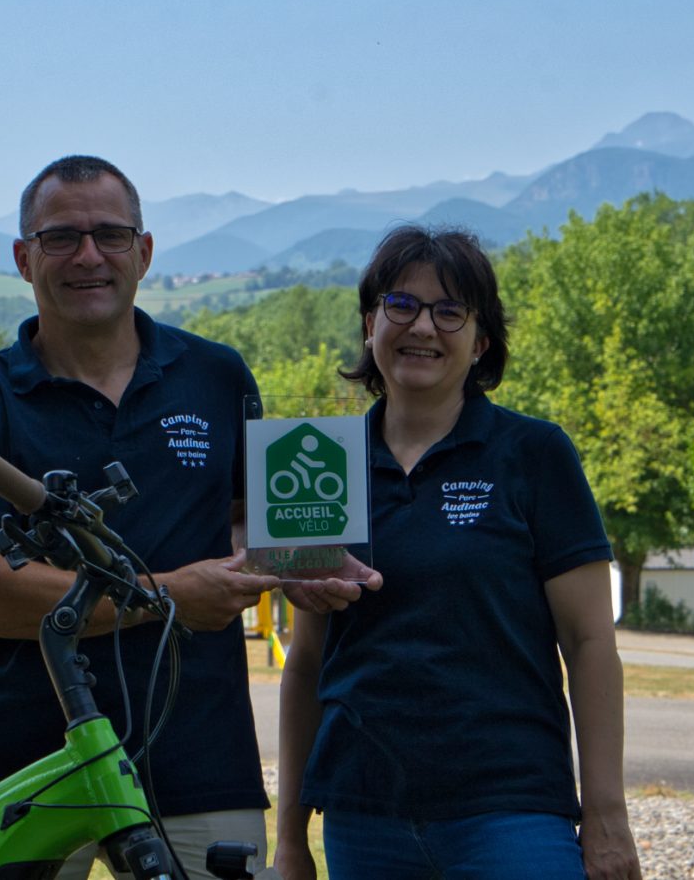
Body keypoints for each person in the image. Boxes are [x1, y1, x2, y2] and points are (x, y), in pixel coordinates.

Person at [0, 155, 367, 879]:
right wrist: (168, 597)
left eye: (110, 235)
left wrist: (298, 561)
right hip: (19, 755)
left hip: (197, 752)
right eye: (61, 238)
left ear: (144, 251)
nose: (88, 255)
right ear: (24, 259)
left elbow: (249, 521)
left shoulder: (217, 376)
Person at [274, 226, 643, 880]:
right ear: (370, 324)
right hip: (364, 818)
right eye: (401, 304)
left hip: (512, 813)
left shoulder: (535, 454)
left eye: (450, 311)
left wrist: (606, 813)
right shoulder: (319, 465)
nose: (423, 326)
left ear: (480, 342)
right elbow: (305, 666)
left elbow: (590, 643)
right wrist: (291, 840)